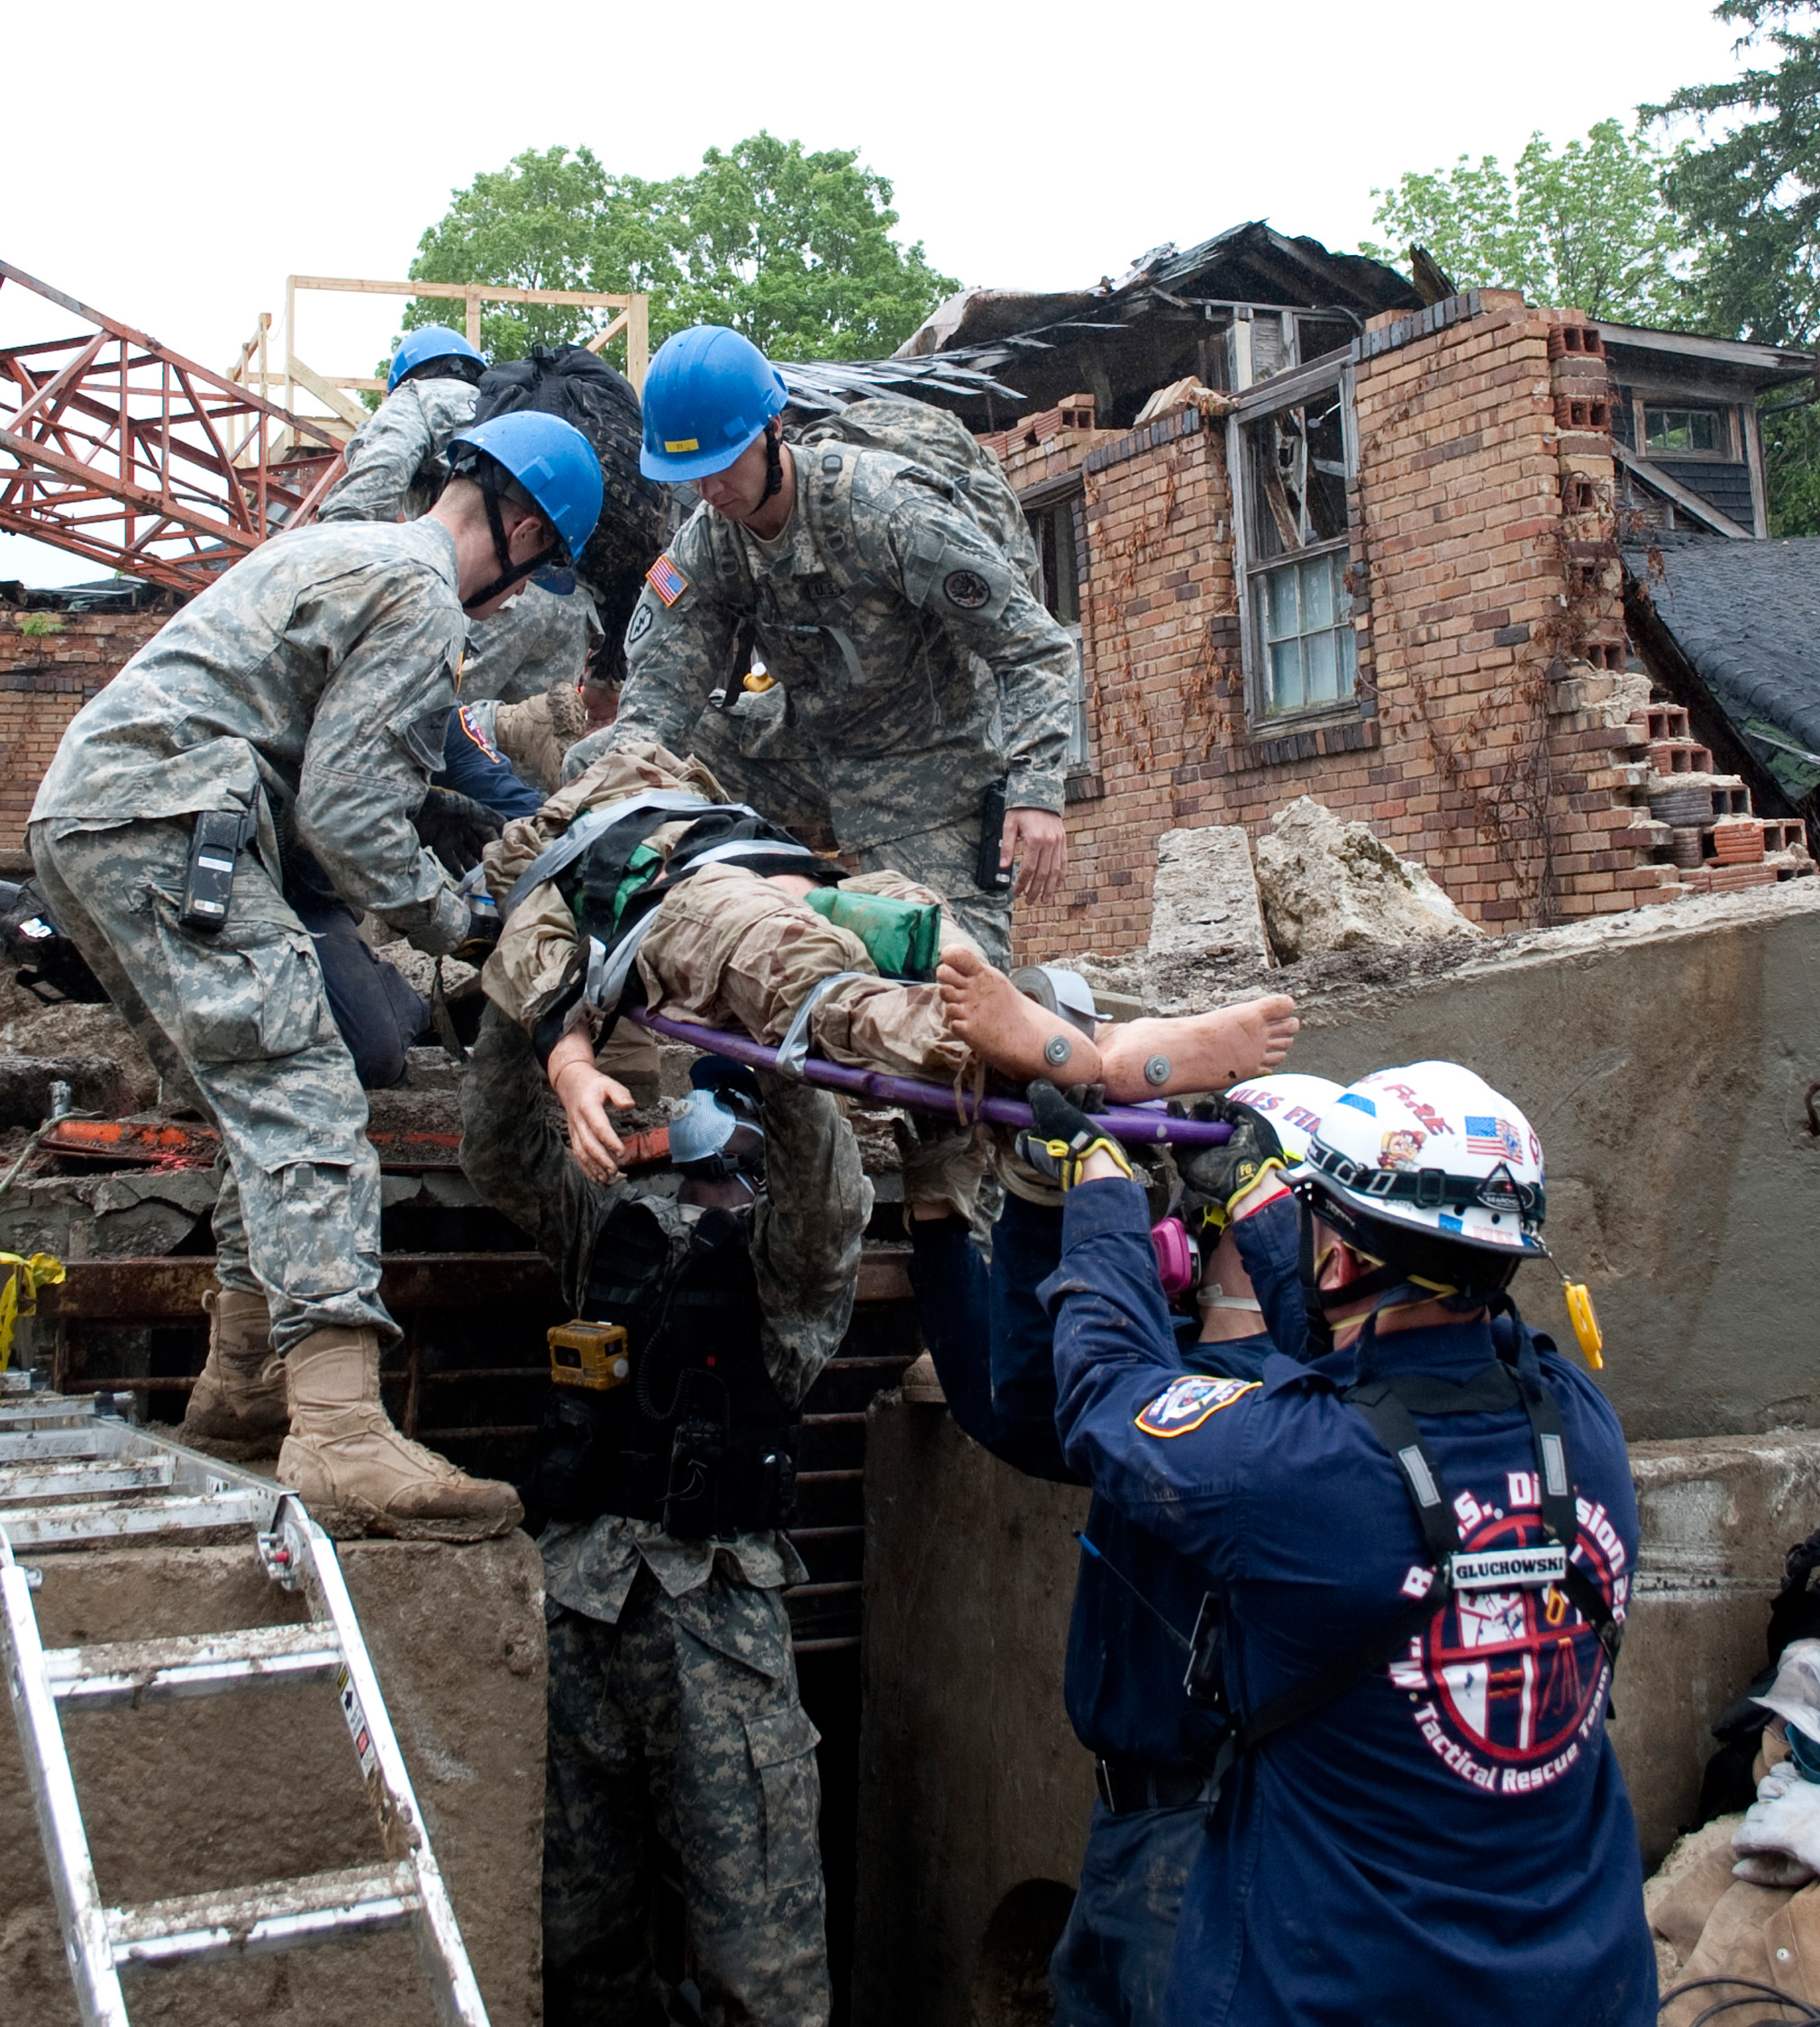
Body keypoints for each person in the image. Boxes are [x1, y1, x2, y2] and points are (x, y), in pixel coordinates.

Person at [28, 410, 604, 1540]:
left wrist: (441, 824)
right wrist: (460, 919)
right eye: (539, 570)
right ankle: (337, 1429)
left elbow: (322, 769)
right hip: (166, 818)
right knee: (308, 1088)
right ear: (526, 530)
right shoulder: (423, 595)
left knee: (253, 1102)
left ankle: (243, 1393)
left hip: (97, 818)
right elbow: (346, 817)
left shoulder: (336, 550)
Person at [1039, 1061, 1656, 2027]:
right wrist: (1261, 1198)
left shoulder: (1294, 1467)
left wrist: (1103, 1191)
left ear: (1334, 1257)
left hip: (1339, 1991)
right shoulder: (1583, 1429)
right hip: (1581, 1984)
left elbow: (1103, 1389)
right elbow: (1384, 1354)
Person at [458, 1012, 866, 2026]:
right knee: (574, 1947)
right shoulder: (618, 1225)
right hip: (577, 1611)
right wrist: (536, 1031)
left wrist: (782, 1042)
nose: (706, 1145)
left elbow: (821, 1190)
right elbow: (500, 1153)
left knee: (757, 1961)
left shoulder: (792, 1266)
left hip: (714, 1630)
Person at [908, 1067, 1338, 2026]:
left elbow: (1077, 1397)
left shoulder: (1265, 1415)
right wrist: (1005, 1207)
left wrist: (1080, 1200)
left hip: (1215, 1828)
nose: (1188, 1209)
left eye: (1209, 1190)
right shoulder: (1211, 1371)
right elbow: (1023, 1403)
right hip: (1136, 1826)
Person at [475, 739, 1300, 1186]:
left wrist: (574, 1070)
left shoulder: (572, 853)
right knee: (901, 950)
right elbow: (539, 970)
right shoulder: (648, 817)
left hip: (715, 902)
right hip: (800, 887)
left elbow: (537, 970)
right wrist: (575, 1070)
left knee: (835, 990)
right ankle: (1093, 1037)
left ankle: (1039, 1042)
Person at [567, 324, 1078, 965]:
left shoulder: (885, 511)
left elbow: (1033, 647)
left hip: (928, 770)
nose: (710, 490)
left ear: (772, 428)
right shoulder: (708, 543)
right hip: (806, 751)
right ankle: (640, 951)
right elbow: (658, 702)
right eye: (690, 474)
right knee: (600, 768)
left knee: (948, 990)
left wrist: (1036, 790)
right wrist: (622, 800)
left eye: (722, 463)